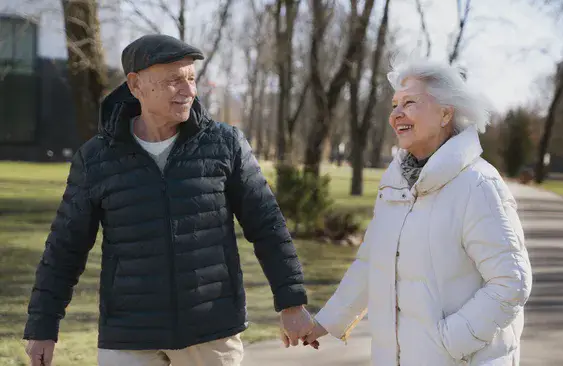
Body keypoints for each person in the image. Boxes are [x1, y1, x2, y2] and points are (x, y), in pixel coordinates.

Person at [23, 34, 314, 366]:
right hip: (130, 335)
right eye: (175, 80)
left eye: (191, 79)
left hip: (211, 330)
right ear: (135, 85)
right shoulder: (97, 158)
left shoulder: (225, 144)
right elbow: (65, 248)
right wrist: (42, 326)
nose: (189, 91)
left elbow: (268, 226)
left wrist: (292, 304)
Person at [303, 60, 533, 365]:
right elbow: (372, 262)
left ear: (445, 113)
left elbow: (512, 282)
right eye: (395, 104)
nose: (396, 114)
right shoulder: (395, 184)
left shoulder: (478, 184)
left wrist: (446, 343)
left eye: (410, 102)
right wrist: (326, 322)